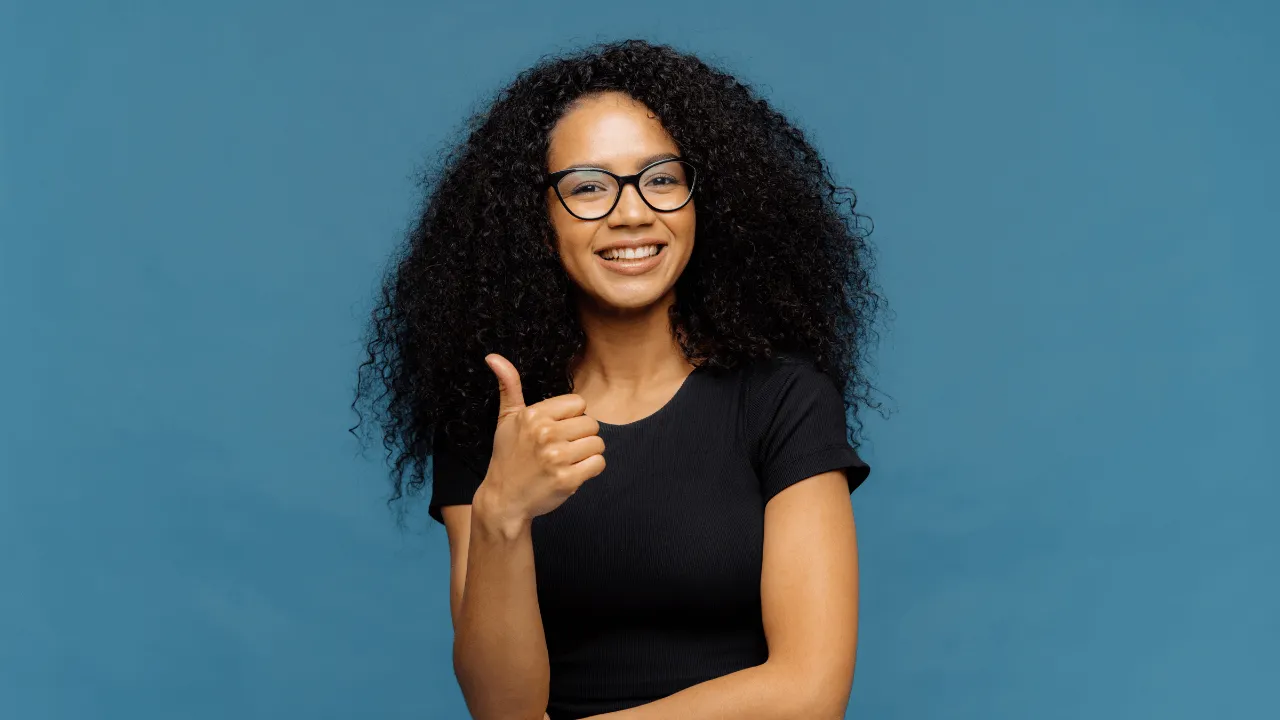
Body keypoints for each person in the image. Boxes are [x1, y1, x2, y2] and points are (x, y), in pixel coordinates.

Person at [353, 38, 884, 720]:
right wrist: (501, 516)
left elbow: (810, 694)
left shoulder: (783, 399)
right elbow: (501, 709)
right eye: (588, 188)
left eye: (661, 178)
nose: (632, 213)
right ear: (537, 224)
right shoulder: (494, 416)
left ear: (701, 202)